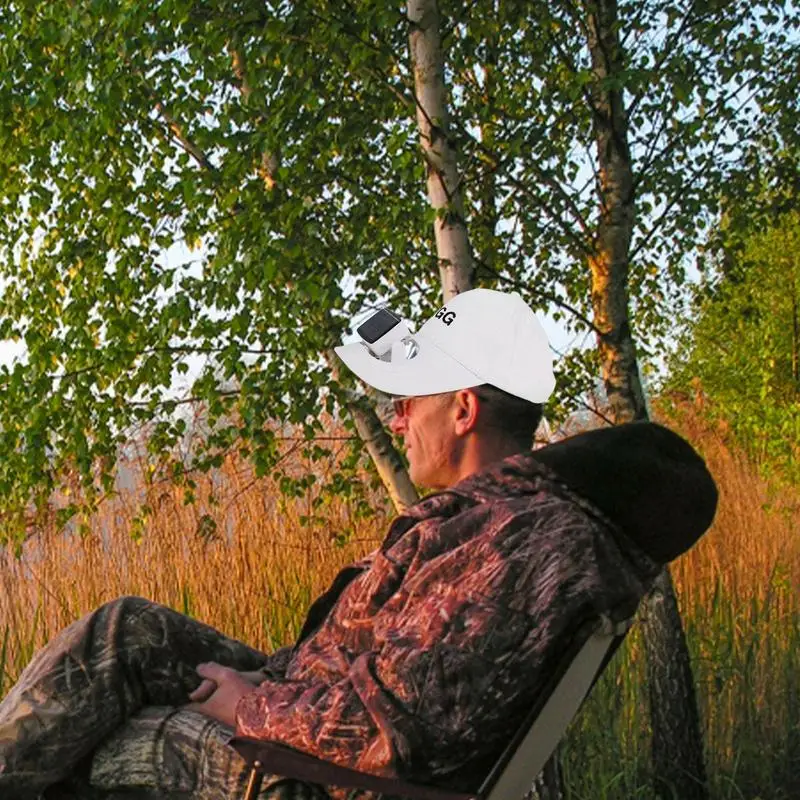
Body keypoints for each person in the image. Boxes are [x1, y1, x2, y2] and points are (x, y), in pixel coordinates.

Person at [0, 289, 717, 799]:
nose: (397, 421)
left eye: (407, 401)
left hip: (306, 776)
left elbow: (392, 730)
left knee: (96, 738)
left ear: (463, 408)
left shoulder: (514, 541)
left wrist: (248, 708)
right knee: (123, 631)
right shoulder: (510, 520)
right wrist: (265, 688)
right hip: (301, 719)